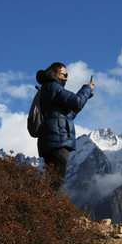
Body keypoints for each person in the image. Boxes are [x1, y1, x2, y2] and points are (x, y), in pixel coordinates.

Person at [35, 62, 94, 192]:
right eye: (65, 74)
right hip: (58, 140)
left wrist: (85, 98)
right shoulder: (53, 87)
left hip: (49, 140)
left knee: (52, 180)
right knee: (57, 182)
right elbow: (77, 101)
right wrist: (87, 88)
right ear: (57, 74)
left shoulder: (46, 89)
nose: (67, 78)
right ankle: (50, 210)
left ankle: (44, 207)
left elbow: (69, 115)